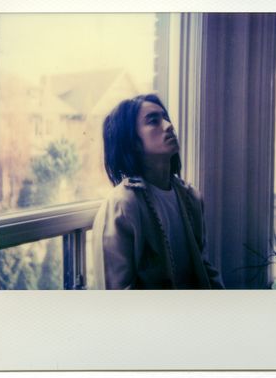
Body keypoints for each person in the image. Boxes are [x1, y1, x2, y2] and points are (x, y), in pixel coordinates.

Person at [92, 94, 224, 289]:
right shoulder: (122, 205)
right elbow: (117, 292)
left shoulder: (190, 198)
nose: (169, 126)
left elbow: (203, 268)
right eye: (153, 121)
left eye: (166, 118)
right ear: (132, 142)